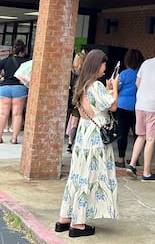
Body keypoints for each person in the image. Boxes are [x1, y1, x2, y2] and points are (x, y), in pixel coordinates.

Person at [56, 49, 119, 238]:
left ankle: (64, 218)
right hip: (95, 137)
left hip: (83, 134)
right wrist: (115, 87)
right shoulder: (97, 86)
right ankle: (79, 223)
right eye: (103, 63)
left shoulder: (82, 85)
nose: (105, 67)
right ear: (96, 65)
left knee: (77, 176)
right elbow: (113, 106)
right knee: (89, 177)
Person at [126, 41, 155, 182]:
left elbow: (137, 83)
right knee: (151, 139)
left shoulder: (145, 63)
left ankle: (132, 164)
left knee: (141, 136)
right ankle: (146, 173)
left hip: (140, 104)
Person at [0, 39, 30, 144]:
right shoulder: (26, 62)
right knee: (17, 114)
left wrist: (1, 78)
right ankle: (14, 139)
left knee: (2, 113)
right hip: (19, 87)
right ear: (23, 51)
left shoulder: (7, 60)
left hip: (5, 87)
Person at [114, 48, 143, 167]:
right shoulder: (141, 74)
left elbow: (118, 88)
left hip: (123, 106)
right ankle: (135, 159)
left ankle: (121, 160)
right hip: (137, 106)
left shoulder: (124, 74)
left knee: (122, 134)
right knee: (138, 134)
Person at [66, 51, 86, 153]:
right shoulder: (85, 74)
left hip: (67, 99)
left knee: (64, 122)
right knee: (75, 123)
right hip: (78, 100)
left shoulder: (70, 72)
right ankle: (70, 145)